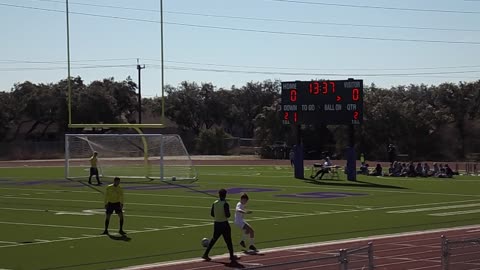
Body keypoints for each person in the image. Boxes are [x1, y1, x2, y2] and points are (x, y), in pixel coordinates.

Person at [202, 189, 238, 262]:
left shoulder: (214, 203)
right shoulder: (225, 204)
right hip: (224, 223)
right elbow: (227, 215)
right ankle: (231, 256)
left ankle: (205, 254)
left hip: (217, 223)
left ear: (219, 195)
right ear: (225, 195)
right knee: (228, 240)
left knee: (213, 239)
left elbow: (212, 214)